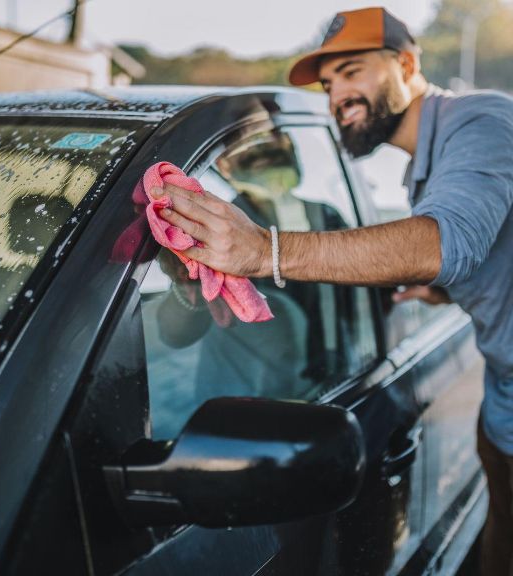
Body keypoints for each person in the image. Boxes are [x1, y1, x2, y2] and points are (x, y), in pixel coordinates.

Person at [150, 7, 513, 575]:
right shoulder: (425, 167)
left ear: (408, 63)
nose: (338, 94)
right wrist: (445, 293)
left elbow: (448, 243)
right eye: (329, 83)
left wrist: (262, 251)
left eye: (352, 71)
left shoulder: (482, 119)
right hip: (500, 383)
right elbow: (480, 255)